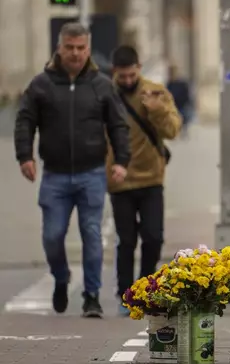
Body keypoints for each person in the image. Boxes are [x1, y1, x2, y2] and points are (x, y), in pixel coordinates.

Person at [14, 22, 131, 318]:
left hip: (91, 173)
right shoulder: (41, 84)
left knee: (91, 233)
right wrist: (25, 156)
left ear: (88, 49)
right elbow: (25, 120)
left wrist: (121, 161)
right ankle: (61, 277)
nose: (76, 54)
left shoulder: (101, 84)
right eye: (70, 48)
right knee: (52, 236)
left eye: (81, 48)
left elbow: (118, 124)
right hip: (54, 175)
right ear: (59, 47)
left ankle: (91, 295)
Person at [108, 46, 182, 316]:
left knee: (153, 237)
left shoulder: (155, 91)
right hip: (120, 179)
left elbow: (173, 130)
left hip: (151, 178)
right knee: (126, 240)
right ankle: (125, 294)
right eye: (122, 76)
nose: (127, 81)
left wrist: (157, 110)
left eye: (131, 75)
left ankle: (144, 288)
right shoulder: (106, 94)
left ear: (139, 68)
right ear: (115, 71)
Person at [166, 64, 193, 138]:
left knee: (184, 116)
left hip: (182, 105)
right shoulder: (169, 83)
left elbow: (187, 95)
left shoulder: (182, 83)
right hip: (174, 106)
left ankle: (182, 129)